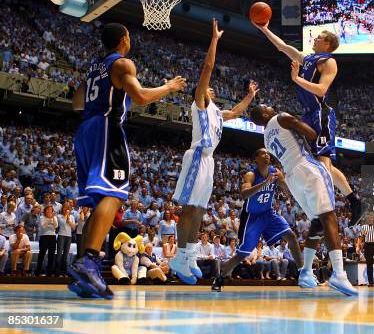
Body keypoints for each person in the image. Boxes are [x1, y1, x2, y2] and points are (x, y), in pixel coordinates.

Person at [69, 23, 187, 299]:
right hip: (106, 129)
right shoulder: (122, 63)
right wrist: (169, 86)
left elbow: (77, 101)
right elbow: (142, 96)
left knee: (100, 203)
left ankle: (85, 272)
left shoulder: (94, 67)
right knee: (114, 193)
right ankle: (88, 262)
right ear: (124, 39)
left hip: (85, 130)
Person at [169, 19, 259, 285]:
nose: (210, 88)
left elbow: (238, 112)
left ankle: (190, 254)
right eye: (206, 86)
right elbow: (208, 67)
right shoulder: (199, 103)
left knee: (198, 210)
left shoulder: (219, 113)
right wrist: (215, 40)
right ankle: (180, 257)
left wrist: (250, 96)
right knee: (188, 209)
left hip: (209, 162)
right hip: (197, 156)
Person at [253, 21, 362, 227]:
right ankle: (352, 201)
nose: (315, 38)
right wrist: (264, 28)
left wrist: (296, 79)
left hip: (320, 113)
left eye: (319, 37)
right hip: (307, 114)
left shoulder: (329, 61)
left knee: (322, 165)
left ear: (328, 43)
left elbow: (321, 90)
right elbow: (282, 47)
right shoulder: (307, 58)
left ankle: (336, 208)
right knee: (320, 164)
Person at [250, 104, 357, 296]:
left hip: (291, 177)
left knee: (317, 222)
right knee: (329, 217)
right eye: (266, 106)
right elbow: (311, 134)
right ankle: (339, 275)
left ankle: (306, 272)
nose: (270, 106)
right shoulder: (282, 117)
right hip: (305, 166)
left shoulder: (266, 138)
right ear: (265, 114)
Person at [212, 148, 303, 291]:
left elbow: (287, 190)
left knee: (291, 236)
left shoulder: (275, 172)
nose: (267, 155)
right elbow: (243, 194)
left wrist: (285, 182)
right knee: (243, 254)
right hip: (252, 217)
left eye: (268, 153)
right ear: (256, 159)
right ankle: (220, 278)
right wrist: (264, 183)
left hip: (268, 213)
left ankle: (304, 273)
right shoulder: (251, 175)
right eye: (263, 153)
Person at [35, 205, 58, 276]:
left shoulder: (54, 217)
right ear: (45, 211)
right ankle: (38, 271)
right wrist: (49, 220)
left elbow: (56, 226)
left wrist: (52, 219)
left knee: (51, 255)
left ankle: (49, 272)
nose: (49, 211)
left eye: (51, 209)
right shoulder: (42, 217)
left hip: (52, 237)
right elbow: (43, 226)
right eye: (48, 209)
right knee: (42, 254)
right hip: (44, 236)